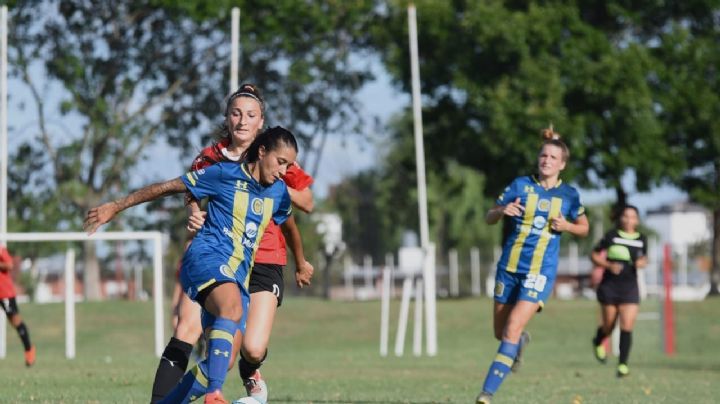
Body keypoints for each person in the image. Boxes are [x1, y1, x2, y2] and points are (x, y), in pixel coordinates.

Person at [84, 126, 300, 403]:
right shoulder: (223, 174)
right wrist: (116, 205)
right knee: (230, 309)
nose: (283, 170)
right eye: (280, 162)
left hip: (238, 275)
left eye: (289, 165)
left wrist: (302, 262)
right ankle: (215, 394)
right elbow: (167, 187)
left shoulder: (278, 192)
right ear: (262, 152)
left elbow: (290, 225)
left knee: (223, 360)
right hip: (205, 258)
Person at [150, 84, 314, 404]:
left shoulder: (274, 155)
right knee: (186, 327)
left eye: (250, 115)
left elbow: (307, 201)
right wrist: (194, 211)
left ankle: (250, 369)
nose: (242, 121)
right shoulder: (212, 157)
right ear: (227, 118)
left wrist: (271, 185)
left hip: (264, 256)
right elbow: (190, 191)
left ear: (260, 122)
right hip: (219, 252)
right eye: (236, 114)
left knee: (250, 348)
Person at [476, 127, 589, 404]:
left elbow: (584, 228)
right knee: (501, 333)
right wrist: (502, 211)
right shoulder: (519, 185)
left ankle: (486, 393)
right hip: (509, 267)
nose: (546, 160)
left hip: (539, 272)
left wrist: (567, 226)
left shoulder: (570, 196)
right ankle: (520, 344)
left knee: (512, 328)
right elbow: (489, 216)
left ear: (562, 164)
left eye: (553, 157)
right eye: (543, 155)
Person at [590, 205, 647, 378]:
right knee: (609, 325)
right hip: (610, 286)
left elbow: (644, 257)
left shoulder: (642, 239)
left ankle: (623, 365)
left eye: (632, 217)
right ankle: (598, 340)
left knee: (627, 326)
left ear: (637, 220)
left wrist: (642, 263)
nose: (629, 220)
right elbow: (594, 255)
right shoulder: (611, 235)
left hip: (630, 287)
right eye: (626, 216)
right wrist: (607, 265)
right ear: (620, 218)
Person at [0, 244, 35, 367]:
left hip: (4, 293)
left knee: (15, 322)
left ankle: (29, 349)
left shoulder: (0, 248)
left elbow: (9, 265)